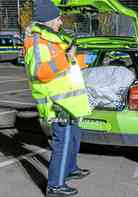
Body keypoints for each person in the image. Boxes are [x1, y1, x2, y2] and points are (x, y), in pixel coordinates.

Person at [23, 0, 95, 196]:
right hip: (56, 103)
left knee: (73, 136)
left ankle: (70, 169)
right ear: (46, 20)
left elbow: (67, 64)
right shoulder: (37, 41)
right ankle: (55, 186)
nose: (60, 22)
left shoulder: (53, 38)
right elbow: (40, 72)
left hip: (68, 102)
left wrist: (79, 58)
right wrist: (67, 57)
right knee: (62, 142)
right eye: (57, 19)